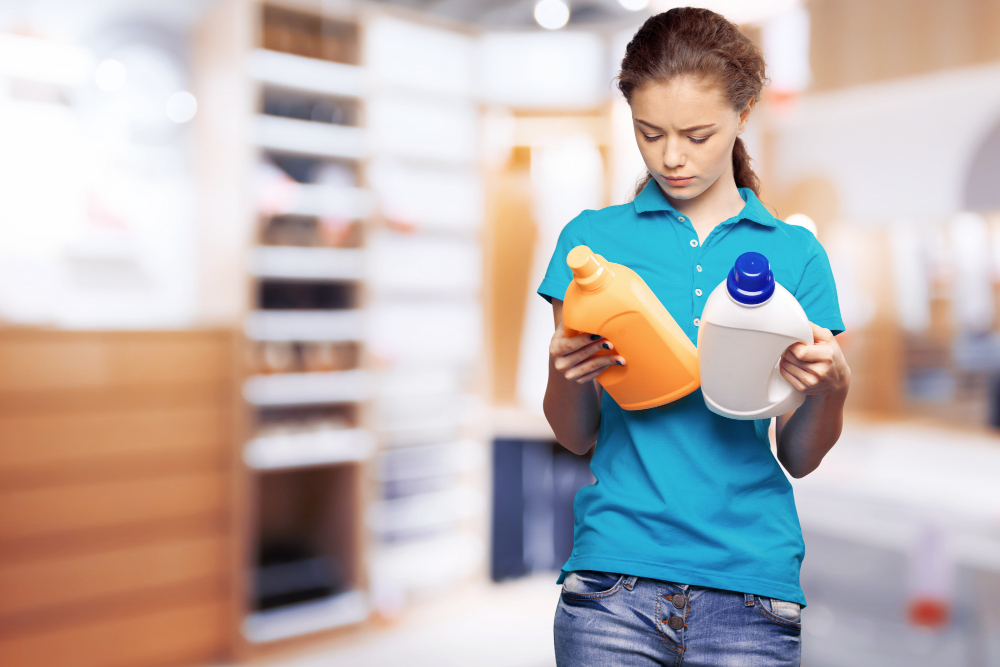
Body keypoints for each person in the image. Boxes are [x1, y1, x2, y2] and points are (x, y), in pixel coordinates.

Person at [538, 8, 850, 666]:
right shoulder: (593, 242)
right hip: (613, 582)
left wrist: (833, 391)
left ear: (744, 113)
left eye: (697, 134)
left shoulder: (794, 255)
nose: (672, 157)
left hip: (750, 587)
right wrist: (563, 374)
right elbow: (575, 434)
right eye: (649, 133)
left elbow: (798, 455)